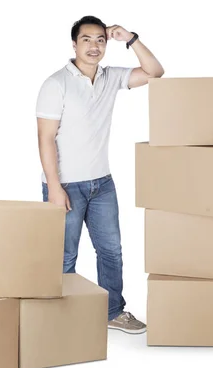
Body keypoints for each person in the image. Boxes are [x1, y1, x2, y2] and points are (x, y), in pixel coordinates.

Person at [35, 15, 164, 334]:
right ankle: (58, 317)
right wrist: (54, 187)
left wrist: (130, 38)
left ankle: (113, 311)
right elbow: (45, 138)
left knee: (111, 251)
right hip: (65, 185)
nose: (94, 46)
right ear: (74, 44)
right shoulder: (56, 84)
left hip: (102, 183)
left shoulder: (110, 77)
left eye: (100, 40)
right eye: (86, 40)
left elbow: (155, 73)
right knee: (64, 255)